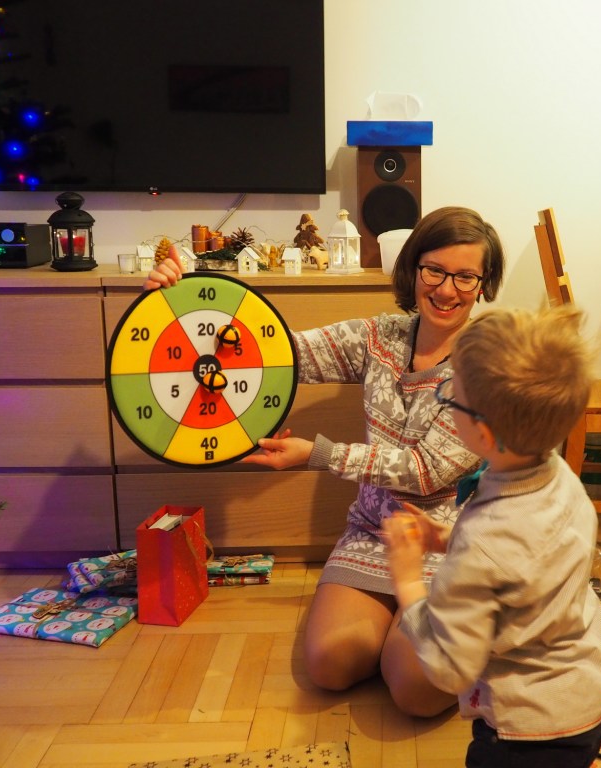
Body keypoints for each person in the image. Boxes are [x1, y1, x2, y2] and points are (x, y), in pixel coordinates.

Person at [142, 206, 506, 717]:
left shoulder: (487, 364)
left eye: (466, 277)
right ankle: (411, 636)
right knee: (329, 666)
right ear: (414, 269)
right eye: (435, 271)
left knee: (415, 690)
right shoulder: (380, 337)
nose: (447, 289)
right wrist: (175, 305)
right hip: (374, 533)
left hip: (451, 542)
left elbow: (425, 471)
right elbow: (276, 353)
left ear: (484, 285)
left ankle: (458, 628)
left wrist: (318, 453)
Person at [383, 305, 601, 768]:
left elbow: (450, 668)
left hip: (525, 733)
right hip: (586, 696)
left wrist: (408, 581)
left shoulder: (483, 547)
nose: (446, 400)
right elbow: (527, 556)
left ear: (484, 434)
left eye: (452, 396)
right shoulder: (559, 474)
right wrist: (447, 537)